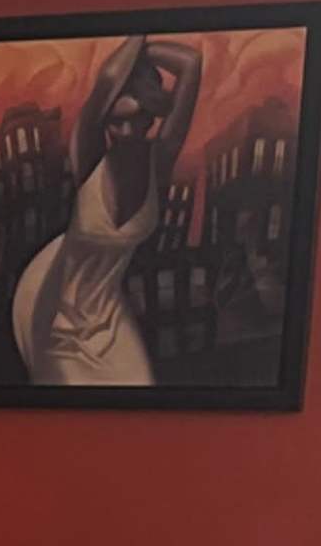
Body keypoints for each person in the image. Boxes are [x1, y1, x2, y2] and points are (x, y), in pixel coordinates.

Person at [12, 33, 201, 389]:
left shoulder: (158, 161)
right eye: (117, 121)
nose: (128, 131)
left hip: (107, 311)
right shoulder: (88, 154)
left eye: (139, 118)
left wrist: (140, 55)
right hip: (51, 302)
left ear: (151, 118)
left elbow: (191, 64)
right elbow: (107, 81)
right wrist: (137, 38)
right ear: (105, 121)